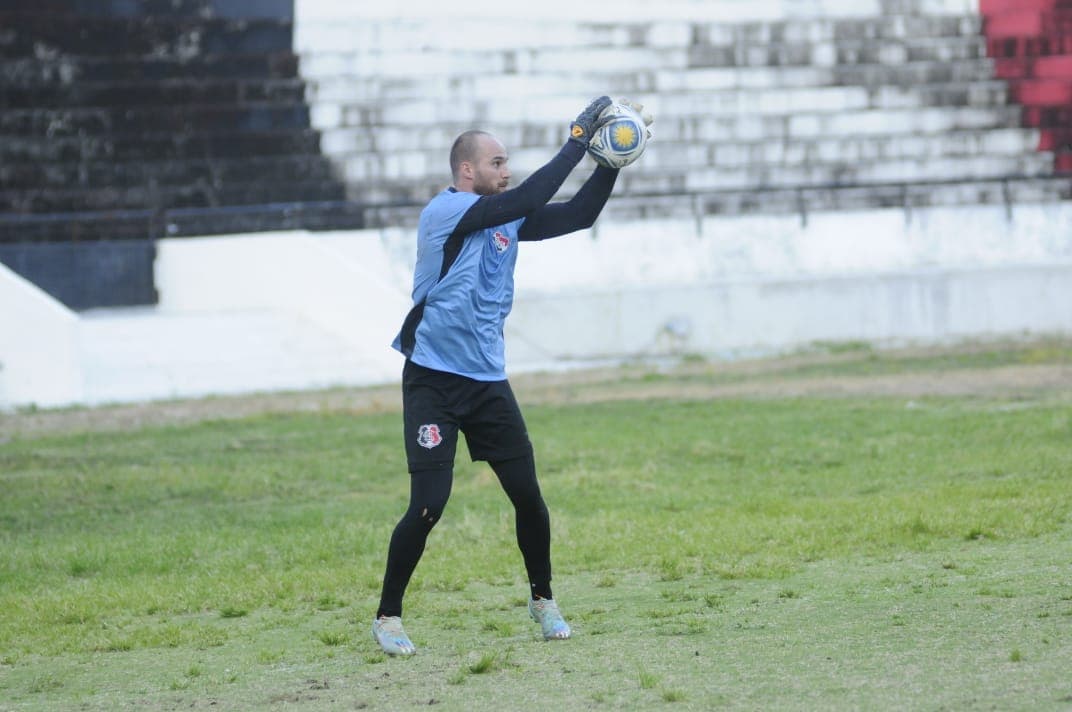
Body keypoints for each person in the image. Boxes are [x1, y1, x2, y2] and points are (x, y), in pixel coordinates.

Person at [373, 96, 638, 656]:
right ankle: (388, 617)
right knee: (429, 505)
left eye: (507, 162)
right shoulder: (445, 212)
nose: (506, 169)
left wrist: (609, 161)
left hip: (487, 382)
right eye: (497, 162)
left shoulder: (505, 220)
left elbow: (577, 215)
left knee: (528, 498)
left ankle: (543, 600)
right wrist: (575, 140)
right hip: (432, 381)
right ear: (467, 170)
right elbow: (528, 196)